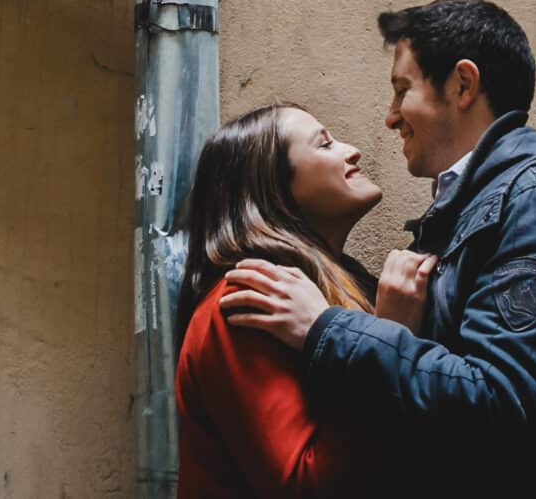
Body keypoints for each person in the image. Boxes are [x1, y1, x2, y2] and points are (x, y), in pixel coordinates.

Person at [220, 0, 536, 491]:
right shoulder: (466, 213)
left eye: (401, 90)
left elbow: (500, 403)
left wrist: (327, 329)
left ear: (462, 85)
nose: (390, 118)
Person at [175, 103, 425, 496]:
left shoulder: (343, 284)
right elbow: (306, 485)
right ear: (273, 189)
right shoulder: (247, 297)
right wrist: (388, 336)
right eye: (324, 144)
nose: (352, 151)